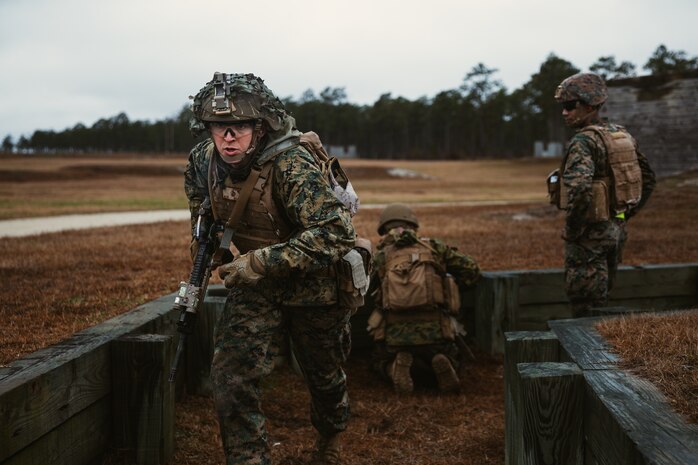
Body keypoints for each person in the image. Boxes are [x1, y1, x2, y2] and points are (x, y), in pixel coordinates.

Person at [184, 72, 367, 465]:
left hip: (314, 283)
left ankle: (330, 438)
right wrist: (207, 245)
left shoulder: (291, 165)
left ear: (260, 126)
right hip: (256, 285)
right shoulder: (204, 160)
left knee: (324, 376)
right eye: (219, 128)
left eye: (238, 128)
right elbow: (201, 204)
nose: (228, 138)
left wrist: (261, 262)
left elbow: (337, 233)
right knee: (230, 376)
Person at [549, 72, 656, 318]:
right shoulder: (620, 135)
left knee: (586, 309)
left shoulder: (583, 142)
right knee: (602, 302)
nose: (564, 112)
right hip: (615, 231)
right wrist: (621, 216)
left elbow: (579, 189)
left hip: (589, 237)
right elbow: (648, 179)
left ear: (589, 106)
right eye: (562, 107)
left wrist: (574, 230)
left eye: (569, 106)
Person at [366, 203, 480, 394]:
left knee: (378, 362)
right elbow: (472, 271)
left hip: (394, 336)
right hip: (436, 331)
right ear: (413, 225)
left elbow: (365, 285)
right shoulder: (434, 247)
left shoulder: (381, 256)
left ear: (385, 229)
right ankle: (444, 361)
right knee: (454, 357)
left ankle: (394, 367)